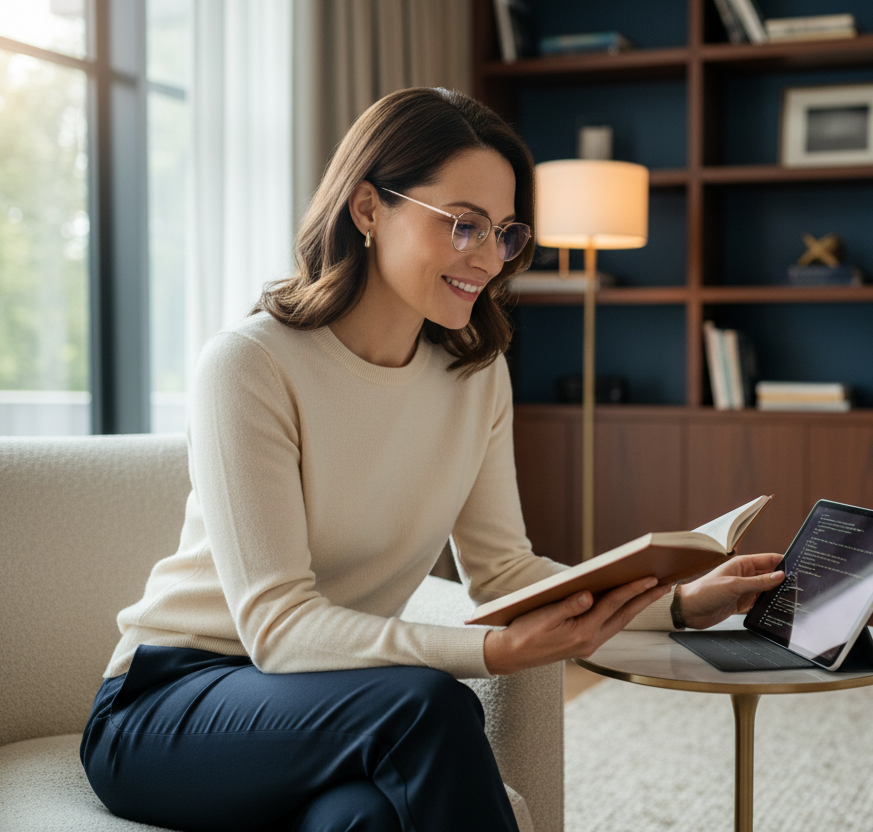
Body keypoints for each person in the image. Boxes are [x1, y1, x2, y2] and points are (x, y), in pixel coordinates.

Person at [79, 87, 785, 832]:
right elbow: (279, 628)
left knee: (363, 820)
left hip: (333, 706)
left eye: (504, 232)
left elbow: (505, 572)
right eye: (463, 225)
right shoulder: (250, 366)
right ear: (368, 209)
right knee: (428, 704)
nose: (487, 258)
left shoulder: (475, 376)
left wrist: (678, 603)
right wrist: (494, 650)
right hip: (168, 709)